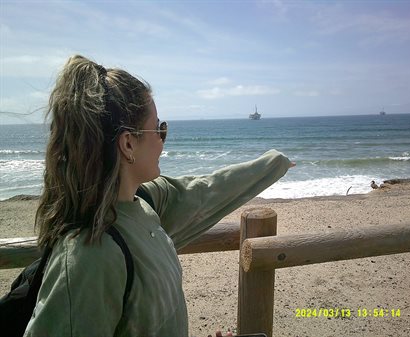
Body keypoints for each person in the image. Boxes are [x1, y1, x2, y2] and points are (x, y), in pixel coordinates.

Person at [24, 55, 295, 337]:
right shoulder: (89, 258)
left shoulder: (143, 203)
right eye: (159, 129)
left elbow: (205, 190)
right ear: (128, 143)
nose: (164, 140)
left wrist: (274, 164)